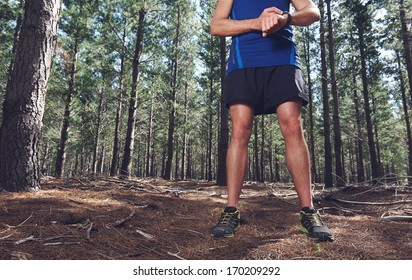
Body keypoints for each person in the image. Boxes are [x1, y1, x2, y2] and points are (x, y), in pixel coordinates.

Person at [210, 0, 334, 242]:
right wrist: (257, 23)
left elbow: (313, 12)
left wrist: (285, 19)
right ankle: (231, 210)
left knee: (293, 126)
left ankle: (308, 211)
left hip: (283, 61)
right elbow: (217, 26)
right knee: (240, 130)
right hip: (243, 62)